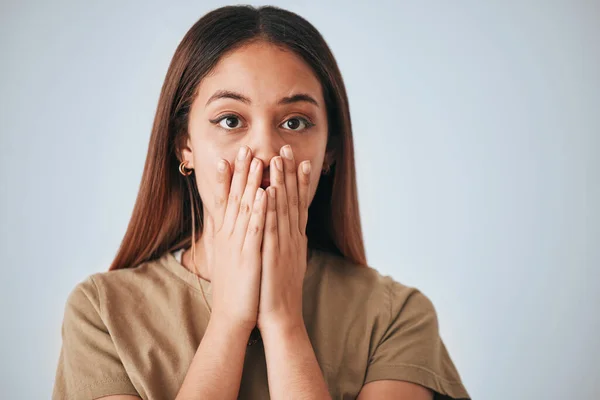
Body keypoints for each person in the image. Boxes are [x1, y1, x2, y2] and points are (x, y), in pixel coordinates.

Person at [52, 5, 470, 400]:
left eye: (294, 122)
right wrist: (230, 320)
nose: (266, 150)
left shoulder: (396, 316)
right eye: (230, 120)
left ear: (329, 153)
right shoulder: (102, 313)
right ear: (185, 145)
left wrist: (284, 322)